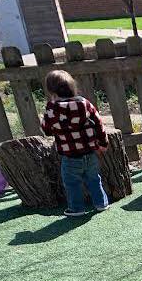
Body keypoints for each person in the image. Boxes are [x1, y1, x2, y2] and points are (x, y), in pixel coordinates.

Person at [40, 70, 109, 217]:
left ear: (51, 90)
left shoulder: (52, 108)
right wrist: (103, 142)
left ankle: (77, 209)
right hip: (90, 152)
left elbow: (46, 129)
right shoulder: (84, 103)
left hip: (70, 155)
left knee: (72, 184)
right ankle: (101, 203)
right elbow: (98, 123)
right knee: (94, 178)